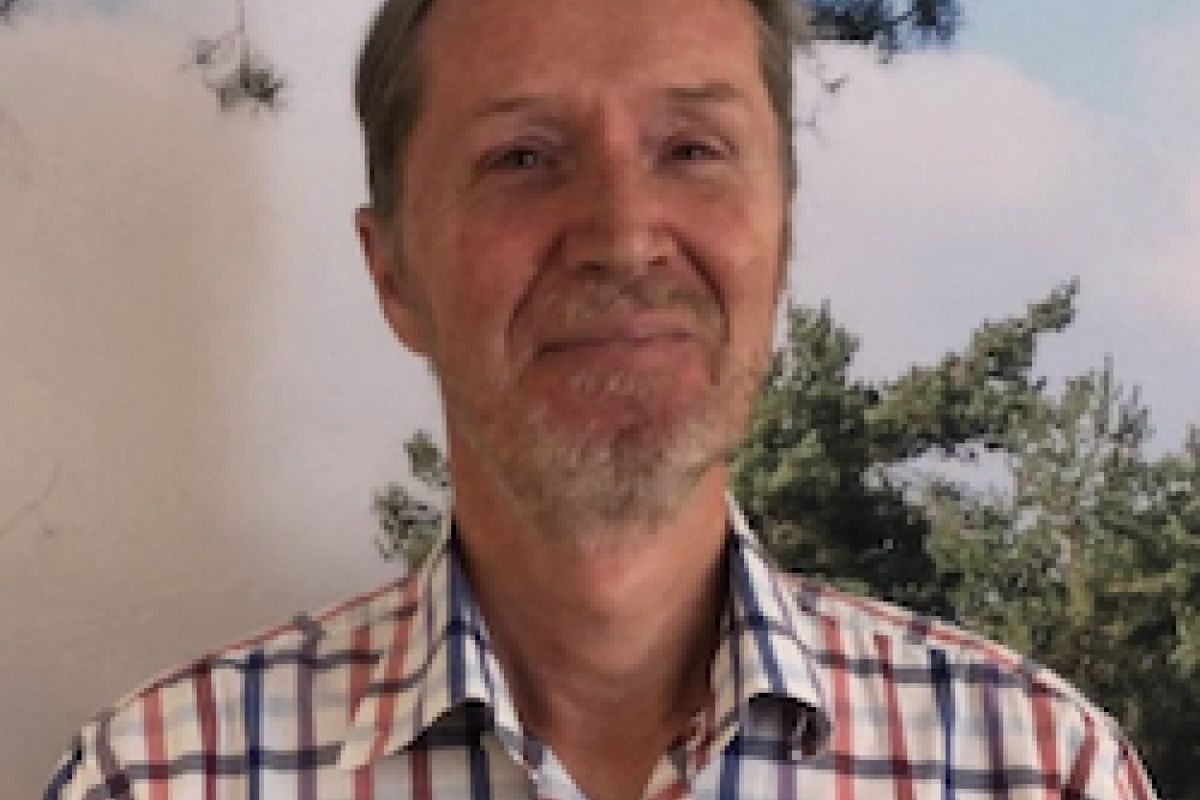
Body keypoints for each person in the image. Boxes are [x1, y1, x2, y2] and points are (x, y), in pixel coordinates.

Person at [44, 0, 1161, 798]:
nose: (624, 236)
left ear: (780, 240)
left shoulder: (1035, 768)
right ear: (394, 276)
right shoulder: (156, 778)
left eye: (692, 147)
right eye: (523, 158)